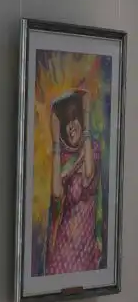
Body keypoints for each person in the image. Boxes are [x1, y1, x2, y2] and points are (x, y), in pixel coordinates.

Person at [45, 89, 102, 275]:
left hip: (85, 250)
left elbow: (88, 177)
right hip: (62, 252)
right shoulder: (63, 160)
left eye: (74, 119)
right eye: (66, 122)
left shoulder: (92, 149)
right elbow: (56, 193)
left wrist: (86, 116)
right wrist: (55, 143)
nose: (70, 126)